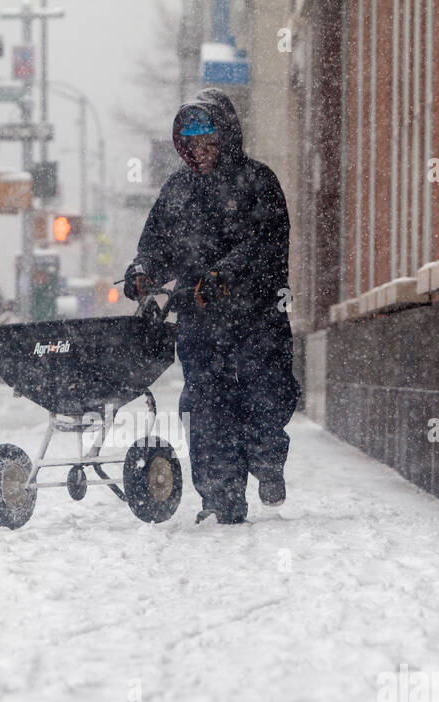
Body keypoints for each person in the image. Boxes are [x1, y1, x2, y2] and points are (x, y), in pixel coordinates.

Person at [124, 88, 300, 524]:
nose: (199, 153)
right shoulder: (178, 191)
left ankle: (266, 461)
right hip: (202, 324)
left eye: (208, 143)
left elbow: (267, 246)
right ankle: (221, 498)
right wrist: (142, 271)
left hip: (257, 319)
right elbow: (156, 243)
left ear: (227, 138)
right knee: (206, 409)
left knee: (264, 399)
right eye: (191, 145)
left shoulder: (259, 183)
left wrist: (225, 275)